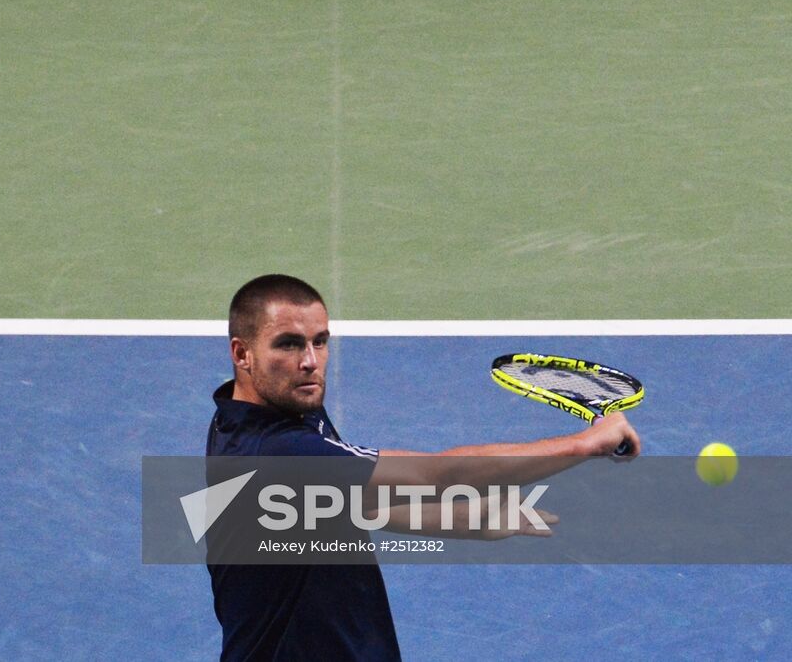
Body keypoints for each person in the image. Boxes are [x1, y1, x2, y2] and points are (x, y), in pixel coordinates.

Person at [207, 274, 640, 661]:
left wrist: (457, 519)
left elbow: (339, 503)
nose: (311, 361)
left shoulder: (271, 411)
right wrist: (586, 444)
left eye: (319, 341)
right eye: (288, 343)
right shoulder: (276, 454)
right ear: (241, 353)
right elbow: (437, 475)